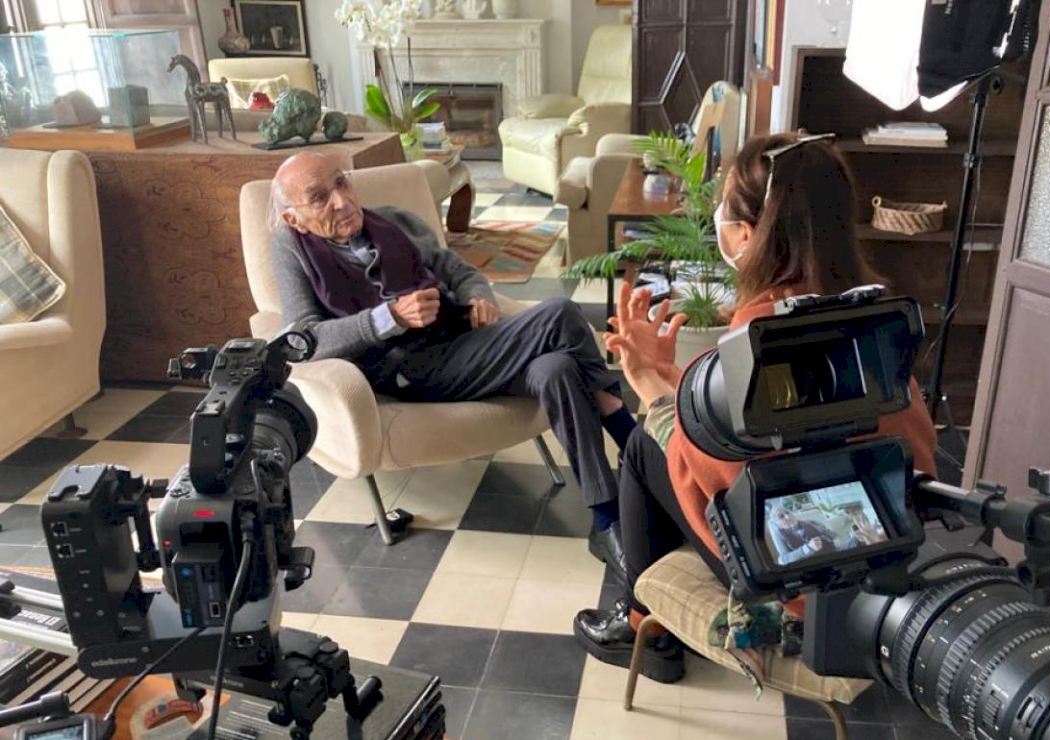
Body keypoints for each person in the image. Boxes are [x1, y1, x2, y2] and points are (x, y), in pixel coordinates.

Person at [572, 133, 938, 683]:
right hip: (886, 566)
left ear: (746, 234)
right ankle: (645, 617)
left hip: (801, 593)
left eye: (723, 211)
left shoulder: (763, 340)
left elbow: (720, 482)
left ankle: (643, 625)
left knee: (646, 448)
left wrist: (651, 388)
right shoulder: (876, 321)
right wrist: (683, 388)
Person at [268, 153, 638, 569]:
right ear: (294, 218)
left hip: (462, 344)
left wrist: (478, 297)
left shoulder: (392, 222)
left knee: (558, 370)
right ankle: (634, 443)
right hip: (408, 369)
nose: (341, 200)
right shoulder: (291, 249)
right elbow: (302, 341)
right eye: (319, 197)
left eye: (341, 183)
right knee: (560, 314)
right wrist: (387, 318)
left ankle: (606, 519)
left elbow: (460, 272)